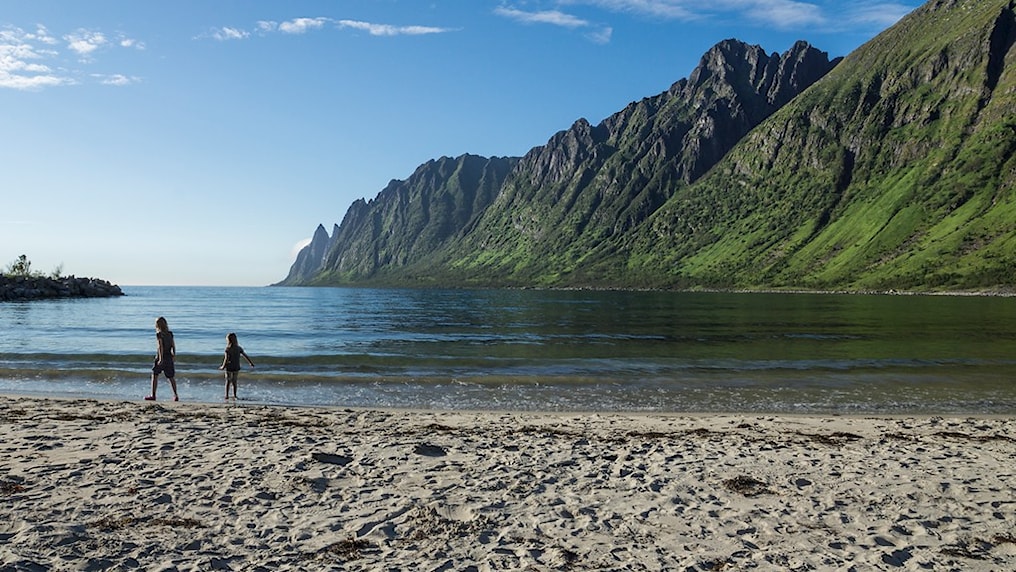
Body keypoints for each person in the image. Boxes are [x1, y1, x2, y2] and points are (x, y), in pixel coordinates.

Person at [145, 316, 179, 401]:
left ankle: (153, 395)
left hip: (162, 356)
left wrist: (160, 359)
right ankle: (175, 395)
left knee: (155, 375)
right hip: (169, 356)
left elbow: (160, 347)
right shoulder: (170, 333)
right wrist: (174, 355)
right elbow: (173, 345)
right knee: (171, 377)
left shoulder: (159, 334)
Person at [219, 332, 254, 400]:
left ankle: (227, 395)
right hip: (236, 367)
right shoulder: (238, 348)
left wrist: (223, 366)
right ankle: (235, 395)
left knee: (228, 381)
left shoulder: (228, 349)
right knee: (234, 382)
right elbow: (245, 356)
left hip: (229, 367)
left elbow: (226, 359)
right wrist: (250, 362)